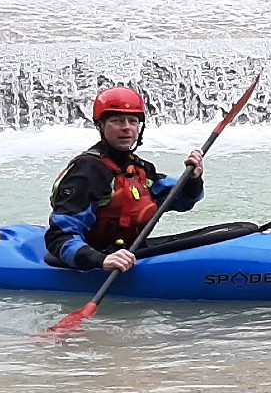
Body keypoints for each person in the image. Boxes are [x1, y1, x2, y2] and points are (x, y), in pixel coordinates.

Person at [45, 87, 207, 273]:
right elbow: (58, 236)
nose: (126, 128)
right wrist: (101, 260)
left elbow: (181, 201)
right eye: (117, 121)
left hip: (129, 254)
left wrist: (194, 178)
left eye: (133, 121)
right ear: (101, 126)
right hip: (97, 261)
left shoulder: (140, 169)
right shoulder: (88, 172)